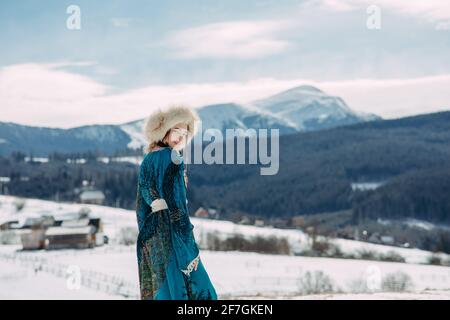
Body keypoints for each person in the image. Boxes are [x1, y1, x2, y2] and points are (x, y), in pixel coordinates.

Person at [135, 105, 218, 300]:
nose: (182, 136)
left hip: (152, 233)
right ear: (164, 130)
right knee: (199, 291)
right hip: (172, 233)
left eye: (185, 132)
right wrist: (188, 246)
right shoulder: (173, 158)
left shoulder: (147, 159)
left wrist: (147, 236)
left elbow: (140, 208)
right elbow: (178, 206)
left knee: (164, 290)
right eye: (177, 130)